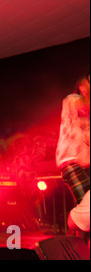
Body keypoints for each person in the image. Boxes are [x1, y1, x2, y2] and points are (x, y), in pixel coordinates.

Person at [56, 73, 90, 205]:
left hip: (86, 162)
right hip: (71, 161)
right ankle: (74, 223)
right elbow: (83, 106)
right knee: (86, 208)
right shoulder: (72, 100)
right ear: (81, 87)